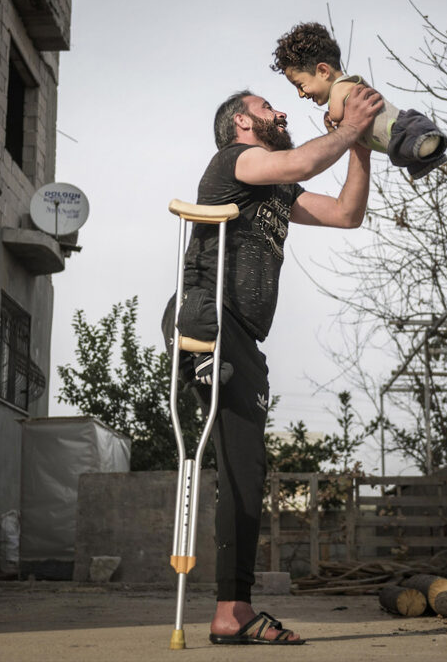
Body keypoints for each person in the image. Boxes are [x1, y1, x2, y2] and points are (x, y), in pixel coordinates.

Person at [163, 84, 385, 644]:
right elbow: (309, 156)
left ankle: (231, 611)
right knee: (238, 466)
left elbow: (346, 213)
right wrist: (349, 127)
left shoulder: (278, 188)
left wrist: (360, 148)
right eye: (267, 107)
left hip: (243, 338)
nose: (279, 112)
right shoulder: (236, 161)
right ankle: (230, 611)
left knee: (246, 470)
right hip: (208, 315)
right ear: (241, 122)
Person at [270, 21, 447, 179]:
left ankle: (427, 143)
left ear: (323, 71)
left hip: (399, 128)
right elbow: (348, 133)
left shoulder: (341, 87)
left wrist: (332, 120)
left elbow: (337, 115)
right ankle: (428, 153)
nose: (301, 94)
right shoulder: (346, 92)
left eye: (300, 85)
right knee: (410, 152)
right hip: (394, 140)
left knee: (411, 138)